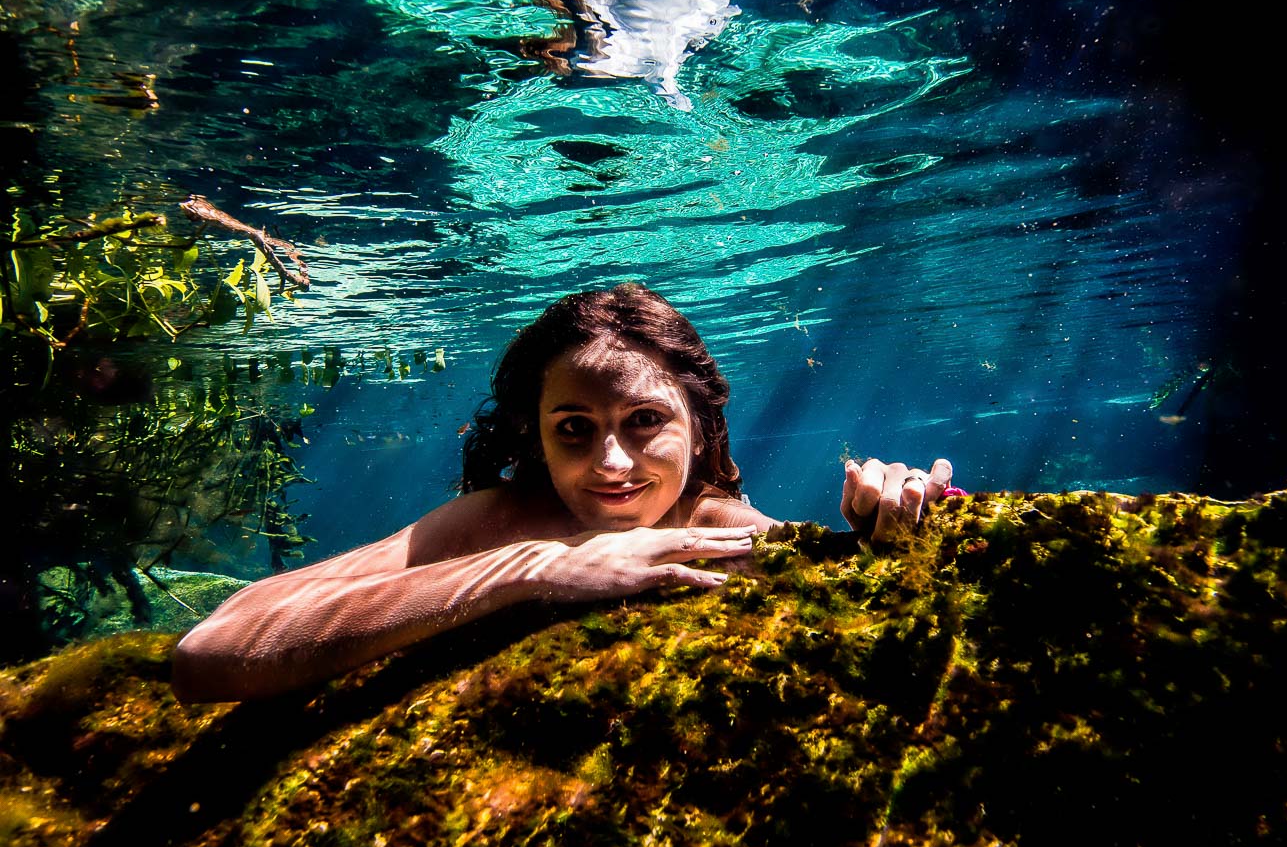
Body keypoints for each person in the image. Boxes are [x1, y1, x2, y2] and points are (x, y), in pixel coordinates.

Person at [172, 283, 952, 702]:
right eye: (574, 428)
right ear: (534, 437)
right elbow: (209, 652)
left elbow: (847, 604)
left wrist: (885, 532)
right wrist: (535, 569)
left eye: (645, 420)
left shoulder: (715, 528)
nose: (612, 462)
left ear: (700, 427)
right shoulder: (500, 521)